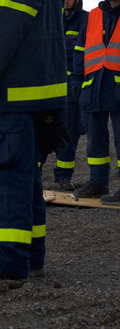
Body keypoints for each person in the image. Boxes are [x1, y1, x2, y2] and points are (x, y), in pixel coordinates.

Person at [0, 0, 69, 283]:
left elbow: (11, 20)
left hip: (11, 95)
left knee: (5, 180)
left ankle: (9, 260)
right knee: (25, 179)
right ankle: (30, 257)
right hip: (33, 94)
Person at [72, 0, 120, 205]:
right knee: (95, 139)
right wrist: (76, 79)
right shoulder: (92, 16)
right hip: (93, 86)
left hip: (116, 84)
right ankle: (98, 182)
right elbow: (80, 49)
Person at [39, 0, 89, 191]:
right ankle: (34, 171)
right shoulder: (49, 18)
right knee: (40, 129)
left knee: (69, 133)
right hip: (47, 86)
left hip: (71, 89)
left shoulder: (86, 20)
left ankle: (63, 177)